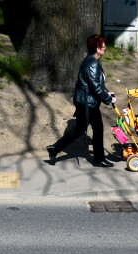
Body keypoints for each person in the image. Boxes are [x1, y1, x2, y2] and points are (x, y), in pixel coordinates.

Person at [46, 34, 117, 168]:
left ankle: (54, 148)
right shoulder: (92, 63)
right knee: (97, 128)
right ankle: (99, 159)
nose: (105, 47)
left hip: (84, 100)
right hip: (87, 102)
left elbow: (96, 84)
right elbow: (95, 87)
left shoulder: (92, 61)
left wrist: (106, 92)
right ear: (97, 48)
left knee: (80, 128)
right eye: (103, 45)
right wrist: (109, 98)